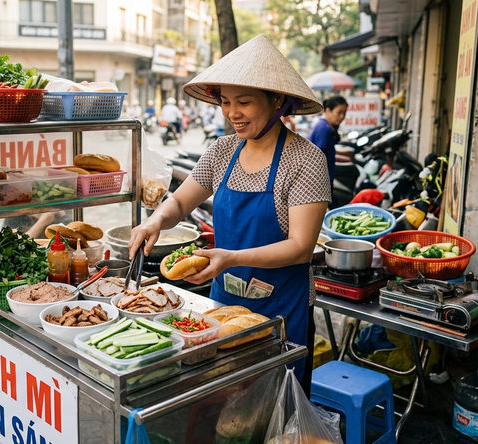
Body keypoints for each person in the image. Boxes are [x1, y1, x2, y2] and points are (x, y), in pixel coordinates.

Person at [128, 35, 330, 391]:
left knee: (274, 414)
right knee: (220, 403)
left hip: (282, 312)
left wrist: (230, 257)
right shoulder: (222, 150)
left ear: (277, 101)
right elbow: (180, 201)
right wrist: (155, 220)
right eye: (225, 102)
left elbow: (300, 246)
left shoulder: (306, 160)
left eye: (244, 102)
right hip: (224, 306)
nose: (232, 112)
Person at [308, 96, 348, 189]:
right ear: (328, 110)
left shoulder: (327, 127)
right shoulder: (323, 128)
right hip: (320, 183)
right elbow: (318, 157)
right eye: (339, 112)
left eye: (344, 113)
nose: (342, 116)